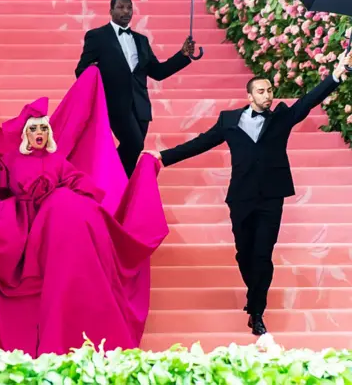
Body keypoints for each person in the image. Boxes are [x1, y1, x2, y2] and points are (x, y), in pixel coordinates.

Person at [0, 98, 168, 357]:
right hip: (20, 226)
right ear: (25, 133)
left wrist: (59, 199)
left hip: (53, 232)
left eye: (44, 129)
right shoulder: (10, 160)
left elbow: (79, 184)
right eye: (34, 129)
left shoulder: (58, 161)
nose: (39, 134)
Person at [142, 52, 352, 336]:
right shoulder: (229, 120)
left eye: (269, 90)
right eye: (262, 91)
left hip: (271, 197)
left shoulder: (281, 117)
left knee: (263, 255)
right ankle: (254, 296)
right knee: (244, 254)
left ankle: (256, 311)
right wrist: (163, 156)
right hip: (240, 196)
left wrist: (337, 74)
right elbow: (201, 143)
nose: (268, 95)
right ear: (250, 96)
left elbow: (308, 101)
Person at [75, 0, 195, 178]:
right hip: (115, 104)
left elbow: (158, 72)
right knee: (134, 144)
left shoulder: (142, 40)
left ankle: (120, 187)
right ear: (111, 11)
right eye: (121, 7)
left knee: (132, 149)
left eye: (129, 8)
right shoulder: (97, 36)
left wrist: (182, 55)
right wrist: (92, 71)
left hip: (141, 106)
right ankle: (110, 177)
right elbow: (81, 70)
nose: (125, 12)